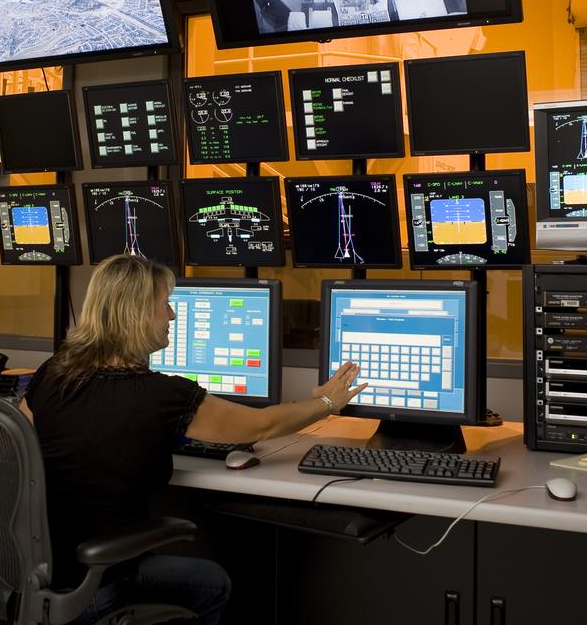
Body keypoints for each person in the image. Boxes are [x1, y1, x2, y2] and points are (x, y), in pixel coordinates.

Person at [23, 254, 365, 625]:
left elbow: (20, 439)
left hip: (41, 581)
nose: (171, 315)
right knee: (212, 581)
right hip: (99, 585)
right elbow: (261, 426)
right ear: (136, 314)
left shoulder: (51, 373)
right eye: (164, 304)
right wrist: (327, 403)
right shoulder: (161, 397)